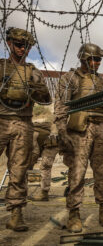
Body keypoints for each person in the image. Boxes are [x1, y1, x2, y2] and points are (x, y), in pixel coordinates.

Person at [55, 43, 103, 233]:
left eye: (98, 60)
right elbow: (61, 107)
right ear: (83, 58)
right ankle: (74, 213)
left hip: (101, 129)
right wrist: (62, 132)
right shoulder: (70, 79)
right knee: (77, 173)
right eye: (92, 59)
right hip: (79, 132)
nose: (96, 63)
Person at [0, 27, 51, 231]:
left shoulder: (33, 72)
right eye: (19, 44)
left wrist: (38, 90)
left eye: (26, 46)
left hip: (23, 122)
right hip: (1, 119)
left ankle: (16, 213)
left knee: (19, 170)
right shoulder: (2, 67)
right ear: (10, 43)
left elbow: (46, 99)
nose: (22, 48)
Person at [30, 122, 60, 201]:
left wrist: (30, 165)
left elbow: (34, 152)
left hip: (51, 143)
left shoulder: (30, 133)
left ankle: (44, 193)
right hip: (49, 141)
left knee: (45, 166)